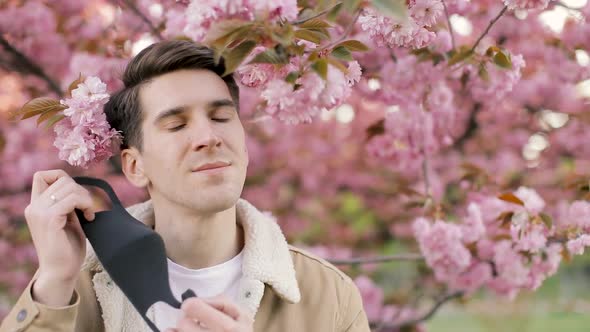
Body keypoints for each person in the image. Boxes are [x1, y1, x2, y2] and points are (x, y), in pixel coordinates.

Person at [0, 40, 370, 332]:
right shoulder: (77, 289)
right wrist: (53, 279)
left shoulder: (327, 295)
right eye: (177, 125)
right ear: (134, 165)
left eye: (221, 116)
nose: (208, 137)